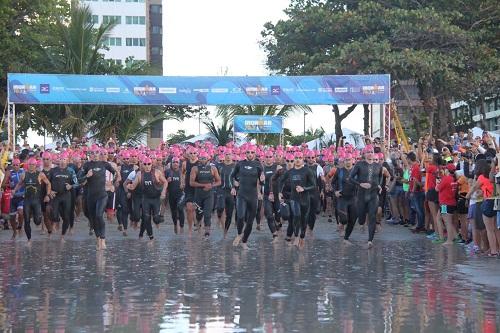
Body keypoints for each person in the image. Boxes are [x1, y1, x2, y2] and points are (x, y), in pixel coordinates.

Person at [82, 146, 119, 250]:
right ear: (90, 154)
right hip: (90, 197)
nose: (95, 155)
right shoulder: (87, 165)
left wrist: (112, 183)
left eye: (97, 153)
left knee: (99, 215)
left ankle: (103, 238)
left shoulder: (104, 164)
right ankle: (98, 239)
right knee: (93, 219)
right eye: (93, 153)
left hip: (102, 195)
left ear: (99, 153)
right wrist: (86, 176)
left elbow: (115, 173)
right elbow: (78, 179)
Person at [279, 151, 316, 248]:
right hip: (294, 198)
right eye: (296, 158)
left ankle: (302, 237)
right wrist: (279, 192)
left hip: (305, 199)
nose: (298, 160)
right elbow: (281, 181)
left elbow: (313, 185)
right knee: (296, 216)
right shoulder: (290, 172)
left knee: (304, 220)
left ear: (303, 158)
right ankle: (296, 237)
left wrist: (304, 188)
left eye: (299, 158)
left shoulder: (307, 171)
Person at [231, 145, 264, 249]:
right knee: (240, 216)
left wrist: (263, 180)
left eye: (252, 152)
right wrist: (233, 184)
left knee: (250, 221)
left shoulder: (259, 165)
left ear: (255, 153)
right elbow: (232, 176)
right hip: (241, 195)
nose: (250, 154)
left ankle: (244, 242)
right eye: (248, 152)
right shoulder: (240, 164)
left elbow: (262, 182)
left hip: (253, 196)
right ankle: (239, 234)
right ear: (245, 153)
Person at [347, 150, 383, 248]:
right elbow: (350, 178)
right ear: (364, 154)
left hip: (373, 195)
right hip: (361, 195)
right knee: (361, 219)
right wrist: (360, 184)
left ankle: (370, 240)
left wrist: (379, 185)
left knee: (372, 217)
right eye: (367, 152)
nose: (370, 153)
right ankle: (361, 223)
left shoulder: (378, 165)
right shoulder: (359, 165)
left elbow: (381, 177)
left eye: (371, 151)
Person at [127, 157, 167, 241]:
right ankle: (151, 238)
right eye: (145, 164)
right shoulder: (139, 174)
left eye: (149, 164)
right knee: (146, 218)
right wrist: (129, 187)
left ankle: (159, 220)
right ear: (142, 165)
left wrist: (163, 192)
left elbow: (165, 182)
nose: (147, 166)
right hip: (146, 199)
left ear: (151, 164)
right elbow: (133, 186)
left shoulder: (157, 172)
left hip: (156, 199)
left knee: (156, 219)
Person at [12, 158, 51, 244]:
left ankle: (38, 218)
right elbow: (19, 184)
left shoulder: (40, 174)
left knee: (37, 222)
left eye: (33, 165)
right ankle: (29, 239)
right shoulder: (24, 174)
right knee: (26, 220)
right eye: (30, 164)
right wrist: (15, 190)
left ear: (35, 165)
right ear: (27, 165)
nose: (31, 166)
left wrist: (47, 195)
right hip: (27, 200)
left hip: (37, 200)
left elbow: (48, 183)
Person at [190, 151, 221, 237]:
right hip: (198, 194)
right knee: (199, 214)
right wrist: (204, 185)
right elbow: (191, 183)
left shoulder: (213, 169)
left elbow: (219, 181)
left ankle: (207, 232)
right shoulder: (195, 168)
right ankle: (198, 225)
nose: (202, 160)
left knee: (207, 214)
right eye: (201, 158)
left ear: (208, 158)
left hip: (209, 194)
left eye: (204, 158)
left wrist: (211, 185)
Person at [48, 155, 75, 242]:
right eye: (61, 159)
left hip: (66, 196)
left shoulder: (70, 171)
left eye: (64, 159)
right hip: (56, 196)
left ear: (67, 161)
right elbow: (47, 182)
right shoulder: (53, 170)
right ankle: (56, 221)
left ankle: (62, 236)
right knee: (54, 215)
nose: (62, 161)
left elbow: (77, 183)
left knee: (67, 217)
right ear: (58, 161)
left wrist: (71, 186)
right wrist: (50, 191)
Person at [331, 154, 357, 245]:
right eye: (346, 160)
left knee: (352, 219)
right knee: (344, 218)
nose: (348, 161)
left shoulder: (356, 171)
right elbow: (333, 183)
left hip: (353, 198)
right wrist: (335, 191)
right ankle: (341, 225)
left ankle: (346, 237)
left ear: (352, 160)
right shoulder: (339, 171)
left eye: (349, 160)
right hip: (342, 198)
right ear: (344, 161)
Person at [216, 152, 236, 237]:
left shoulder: (235, 166)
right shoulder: (219, 166)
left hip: (231, 191)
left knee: (229, 213)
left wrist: (235, 188)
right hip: (221, 190)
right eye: (226, 154)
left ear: (232, 156)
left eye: (229, 154)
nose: (228, 156)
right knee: (220, 207)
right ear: (224, 156)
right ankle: (219, 217)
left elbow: (238, 178)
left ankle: (225, 232)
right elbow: (213, 176)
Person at [165, 156, 185, 234]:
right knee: (173, 211)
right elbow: (162, 182)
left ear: (179, 163)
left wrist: (183, 185)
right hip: (171, 194)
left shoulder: (181, 172)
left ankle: (182, 227)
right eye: (174, 162)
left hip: (180, 194)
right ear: (171, 163)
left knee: (180, 208)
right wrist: (167, 180)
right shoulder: (167, 172)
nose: (175, 164)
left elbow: (186, 182)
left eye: (177, 162)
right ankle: (175, 225)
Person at [182, 147, 199, 233]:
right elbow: (182, 173)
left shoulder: (200, 163)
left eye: (194, 153)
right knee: (189, 209)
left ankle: (198, 225)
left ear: (197, 154)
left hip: (198, 189)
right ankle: (190, 229)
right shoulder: (185, 163)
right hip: (188, 189)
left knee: (196, 209)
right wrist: (182, 182)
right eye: (191, 153)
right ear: (188, 154)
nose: (192, 155)